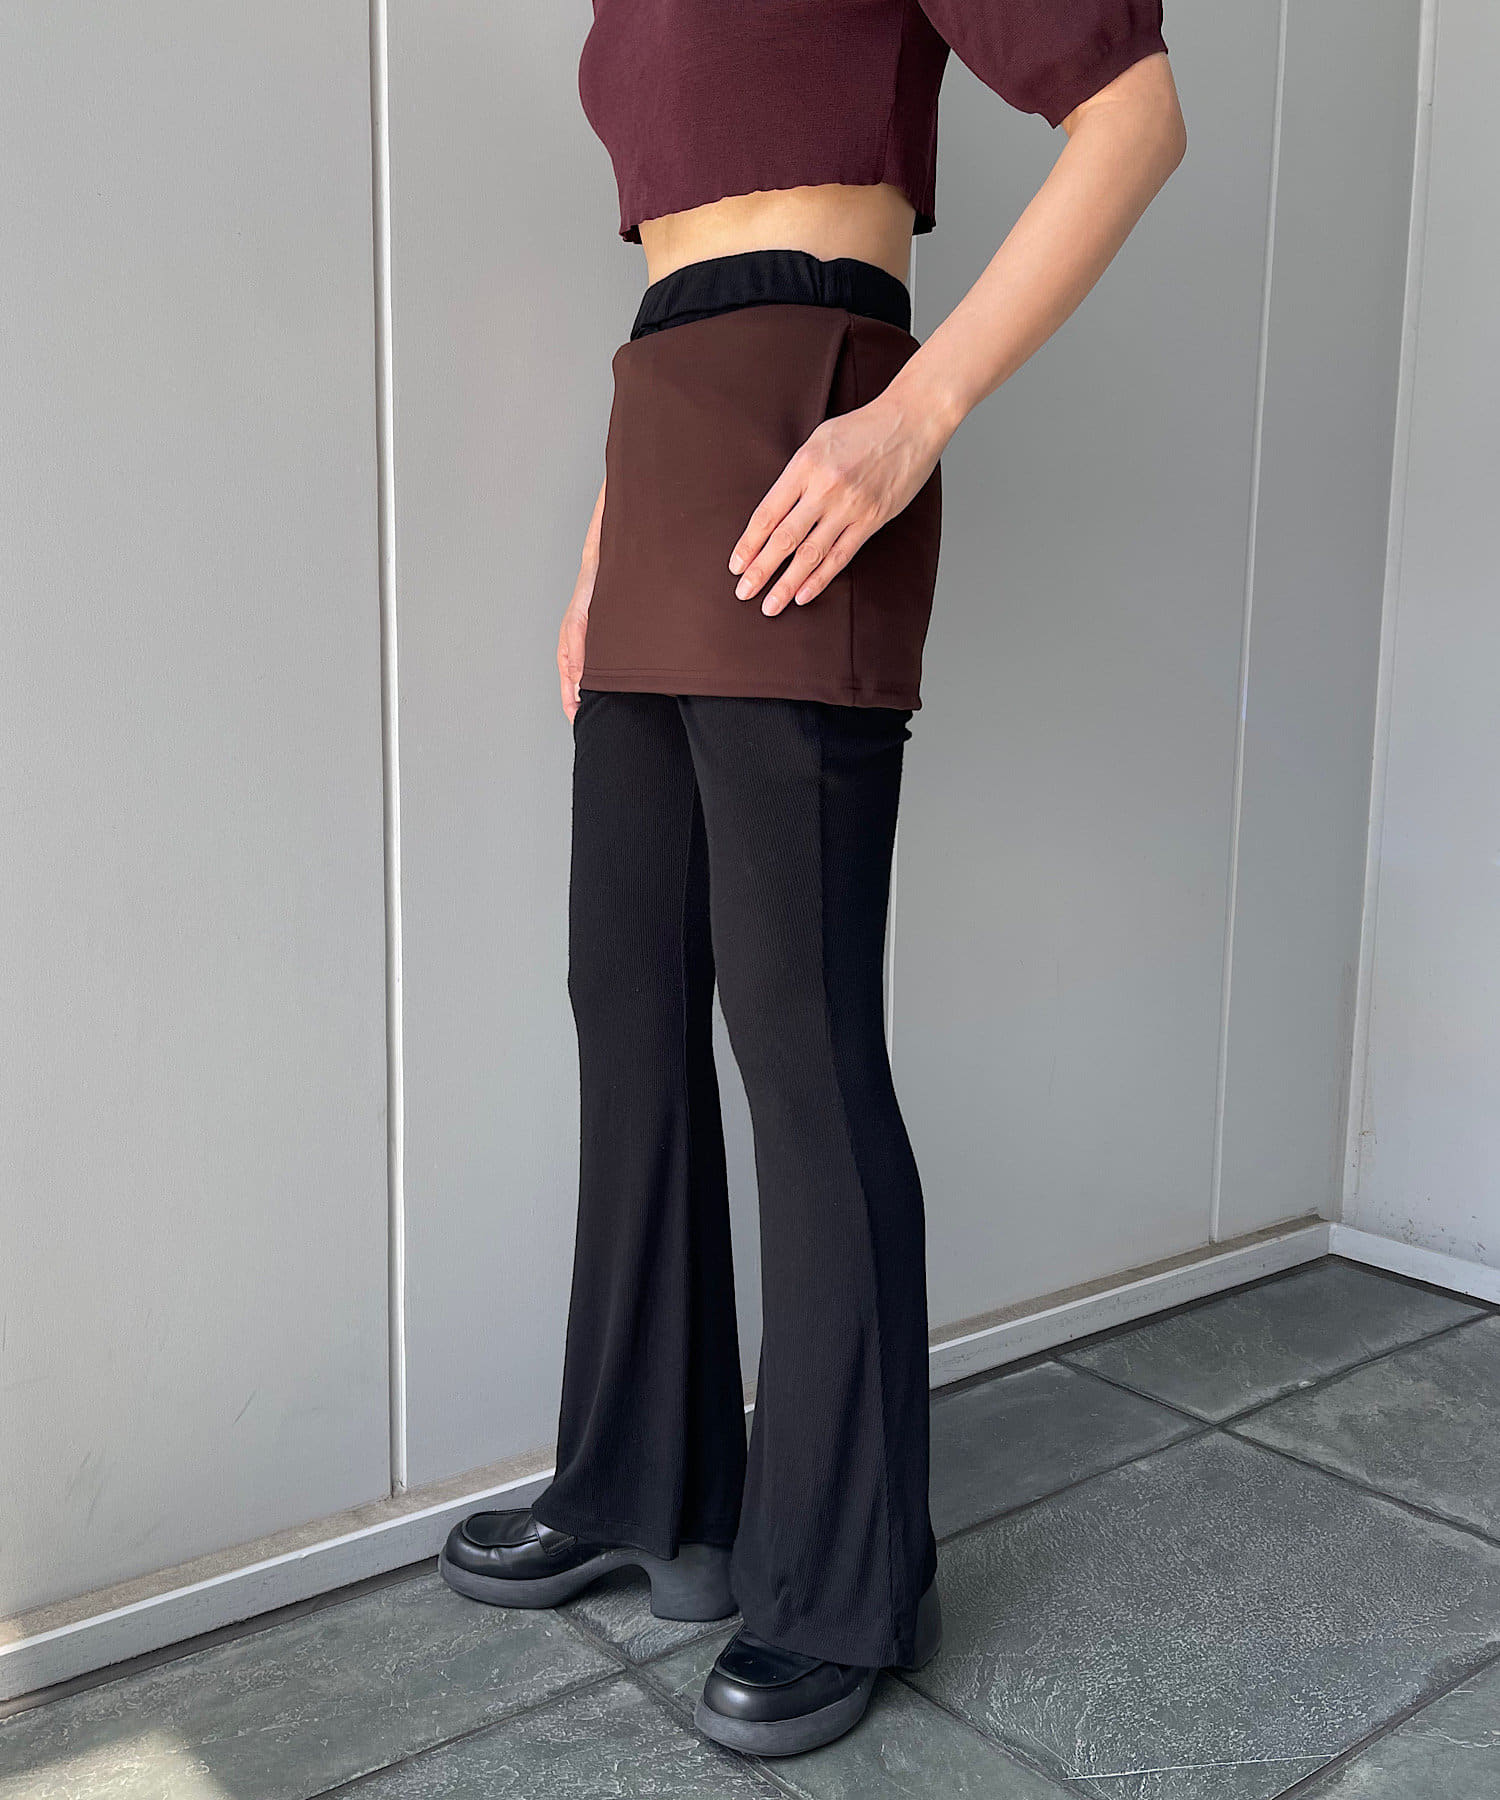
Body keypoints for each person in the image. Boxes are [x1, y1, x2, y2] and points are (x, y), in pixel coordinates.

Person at [440, 0, 1186, 1758]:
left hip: (814, 427)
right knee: (627, 991)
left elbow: (1136, 116)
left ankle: (848, 1578)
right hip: (663, 437)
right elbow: (681, 277)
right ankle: (649, 1484)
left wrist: (913, 416)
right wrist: (604, 548)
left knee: (798, 1032)